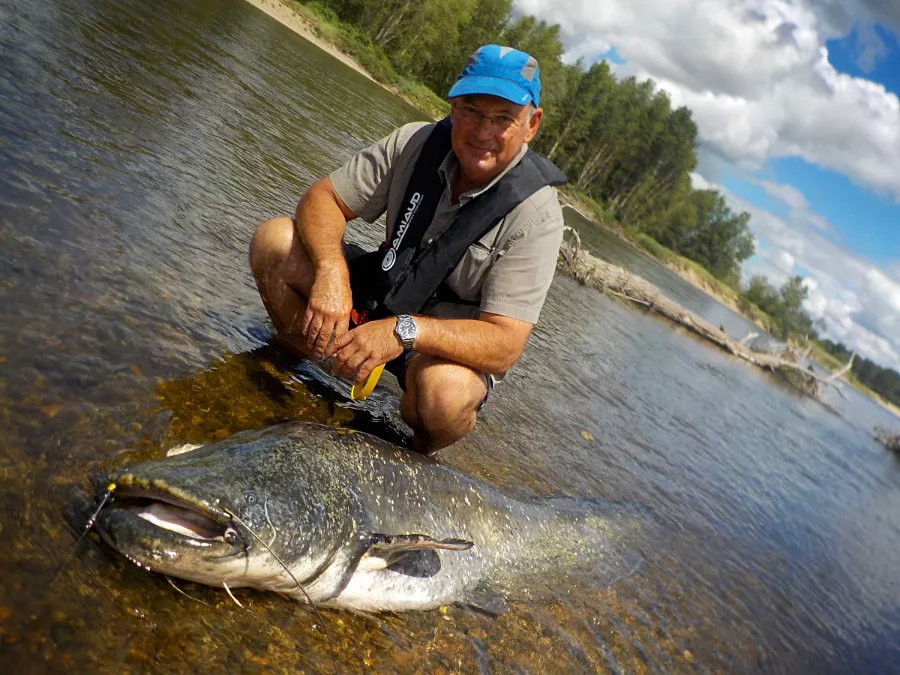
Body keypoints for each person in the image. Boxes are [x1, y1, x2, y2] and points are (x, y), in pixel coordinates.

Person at [250, 44, 567, 454]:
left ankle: (409, 456)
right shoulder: (414, 141)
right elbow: (323, 198)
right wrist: (331, 272)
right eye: (471, 110)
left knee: (445, 396)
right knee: (275, 241)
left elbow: (504, 345)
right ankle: (300, 373)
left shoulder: (538, 217)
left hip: (439, 346)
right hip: (377, 293)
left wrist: (404, 331)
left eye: (504, 118)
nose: (484, 131)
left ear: (532, 124)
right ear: (453, 106)